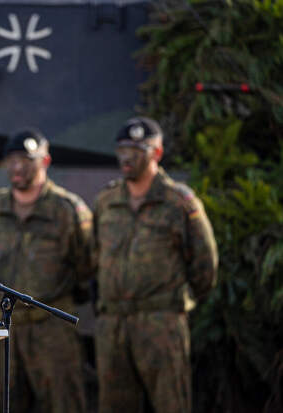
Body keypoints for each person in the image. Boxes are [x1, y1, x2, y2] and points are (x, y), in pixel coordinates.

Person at [93, 117, 218, 413]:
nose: (126, 157)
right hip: (113, 325)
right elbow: (91, 255)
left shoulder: (179, 202)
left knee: (170, 403)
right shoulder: (107, 201)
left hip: (161, 322)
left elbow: (205, 265)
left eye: (137, 150)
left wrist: (176, 304)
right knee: (113, 405)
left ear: (157, 153)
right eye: (122, 149)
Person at [0, 128, 93, 413]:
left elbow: (85, 265)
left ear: (45, 162)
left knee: (63, 403)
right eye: (11, 160)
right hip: (0, 328)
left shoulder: (67, 210)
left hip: (50, 328)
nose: (17, 167)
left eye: (26, 160)